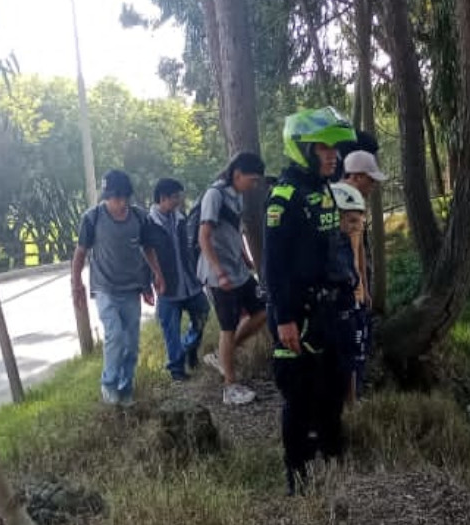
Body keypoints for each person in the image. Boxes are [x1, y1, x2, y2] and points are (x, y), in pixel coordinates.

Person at [265, 107, 358, 496]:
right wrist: (284, 318)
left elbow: (332, 248)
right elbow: (273, 266)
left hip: (330, 311)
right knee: (299, 399)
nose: (332, 155)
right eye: (324, 147)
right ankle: (297, 478)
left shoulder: (324, 190)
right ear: (303, 148)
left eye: (335, 148)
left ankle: (333, 459)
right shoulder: (284, 197)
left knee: (333, 387)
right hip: (297, 316)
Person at [72, 169, 166, 407]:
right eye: (115, 198)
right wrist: (76, 284)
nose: (121, 203)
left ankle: (125, 390)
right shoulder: (92, 218)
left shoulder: (138, 217)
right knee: (115, 334)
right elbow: (80, 253)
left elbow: (147, 249)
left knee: (131, 343)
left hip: (130, 289)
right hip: (105, 288)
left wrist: (156, 274)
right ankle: (109, 383)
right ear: (106, 197)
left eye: (125, 197)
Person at [197, 151, 268, 405]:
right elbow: (204, 237)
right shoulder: (214, 195)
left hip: (238, 269)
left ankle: (222, 355)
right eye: (252, 179)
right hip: (219, 275)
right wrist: (218, 271)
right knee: (227, 327)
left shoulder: (236, 195)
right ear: (237, 174)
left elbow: (234, 230)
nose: (254, 184)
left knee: (262, 311)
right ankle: (230, 386)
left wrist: (245, 256)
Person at [149, 178, 209, 382]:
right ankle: (177, 369)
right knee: (170, 330)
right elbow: (145, 256)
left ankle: (189, 347)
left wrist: (196, 273)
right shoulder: (149, 224)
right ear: (163, 198)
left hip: (190, 282)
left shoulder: (181, 218)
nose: (178, 201)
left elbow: (188, 249)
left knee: (202, 313)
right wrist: (149, 283)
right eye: (175, 197)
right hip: (167, 286)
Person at [339, 150, 386, 399]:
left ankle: (355, 397)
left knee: (359, 348)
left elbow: (358, 251)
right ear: (356, 176)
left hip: (357, 289)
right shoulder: (340, 199)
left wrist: (365, 288)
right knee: (349, 350)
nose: (375, 184)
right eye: (371, 178)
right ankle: (350, 404)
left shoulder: (357, 200)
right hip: (344, 292)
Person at [329, 181, 368, 404]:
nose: (357, 227)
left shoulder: (344, 242)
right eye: (352, 221)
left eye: (360, 222)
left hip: (350, 305)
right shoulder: (330, 246)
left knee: (352, 354)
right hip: (336, 310)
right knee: (341, 357)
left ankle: (351, 400)